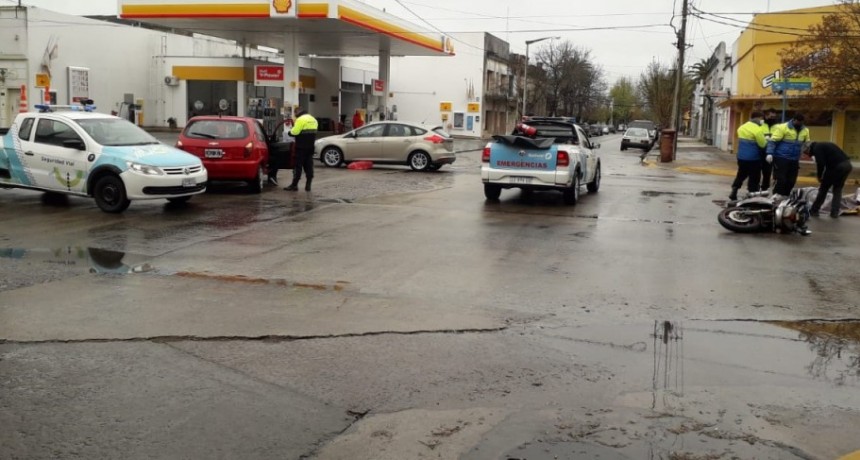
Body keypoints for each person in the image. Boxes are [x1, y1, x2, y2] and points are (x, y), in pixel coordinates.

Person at [804, 141, 854, 218]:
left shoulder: (817, 148)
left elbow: (821, 163)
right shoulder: (824, 145)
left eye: (806, 152)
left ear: (809, 148)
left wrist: (819, 176)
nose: (808, 155)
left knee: (824, 189)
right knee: (837, 189)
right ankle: (835, 212)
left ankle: (814, 210)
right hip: (847, 165)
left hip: (836, 167)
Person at [766, 113, 810, 197]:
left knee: (791, 181)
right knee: (781, 180)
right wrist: (769, 153)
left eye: (801, 122)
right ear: (794, 120)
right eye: (798, 122)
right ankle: (776, 197)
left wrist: (811, 154)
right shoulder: (783, 127)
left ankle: (785, 197)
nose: (800, 124)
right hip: (781, 158)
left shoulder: (805, 130)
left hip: (794, 159)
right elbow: (773, 141)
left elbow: (806, 144)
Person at [730, 111, 768, 200]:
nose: (762, 121)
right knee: (754, 177)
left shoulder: (741, 127)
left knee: (741, 174)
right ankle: (752, 194)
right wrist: (766, 140)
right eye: (762, 119)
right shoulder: (757, 130)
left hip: (741, 157)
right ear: (757, 118)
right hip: (753, 158)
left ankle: (734, 189)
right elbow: (762, 145)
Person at [285, 107, 318, 192]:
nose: (295, 115)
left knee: (298, 166)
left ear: (297, 112)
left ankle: (294, 185)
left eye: (294, 114)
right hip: (310, 147)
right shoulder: (313, 119)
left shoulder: (300, 119)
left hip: (301, 147)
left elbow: (295, 132)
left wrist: (289, 132)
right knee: (309, 166)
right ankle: (308, 185)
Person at [759, 108, 779, 190]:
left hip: (770, 152)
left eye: (774, 117)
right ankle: (754, 188)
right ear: (765, 116)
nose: (772, 118)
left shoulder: (778, 126)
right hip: (759, 151)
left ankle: (764, 188)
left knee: (767, 172)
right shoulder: (760, 124)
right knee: (756, 171)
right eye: (771, 116)